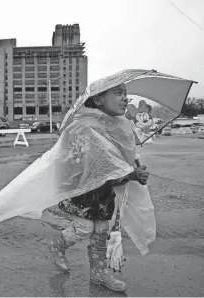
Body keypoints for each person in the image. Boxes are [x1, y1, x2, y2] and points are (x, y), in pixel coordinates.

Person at [48, 83, 149, 292]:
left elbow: (114, 163)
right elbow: (98, 165)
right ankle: (57, 246)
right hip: (83, 191)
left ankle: (98, 273)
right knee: (84, 228)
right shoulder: (85, 126)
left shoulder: (115, 126)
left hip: (103, 192)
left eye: (126, 94)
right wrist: (130, 173)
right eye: (118, 93)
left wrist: (133, 172)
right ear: (98, 99)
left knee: (101, 230)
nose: (125, 98)